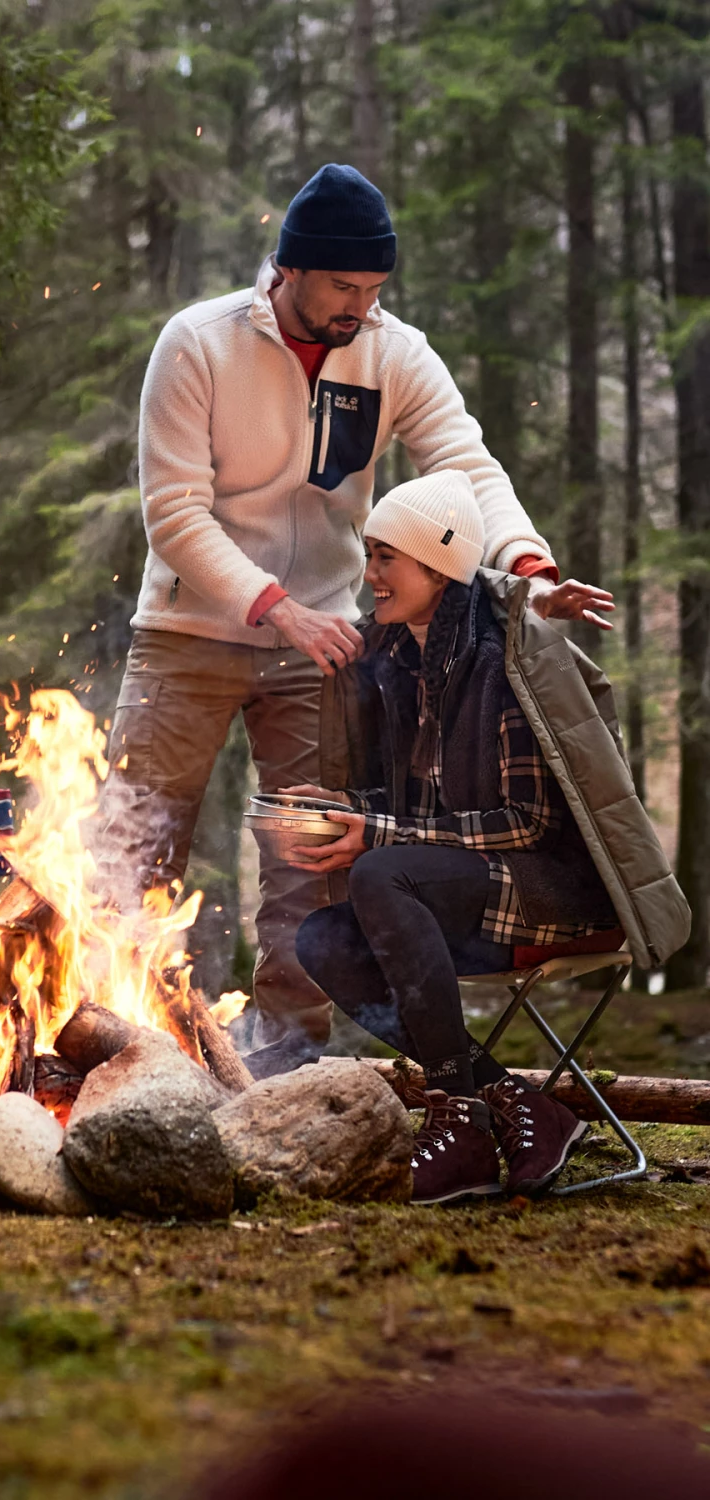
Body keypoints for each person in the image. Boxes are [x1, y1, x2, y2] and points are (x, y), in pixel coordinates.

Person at [99, 162, 614, 1079]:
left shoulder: (392, 350)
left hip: (328, 640)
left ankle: (286, 1063)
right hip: (188, 634)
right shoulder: (198, 343)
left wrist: (526, 565)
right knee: (137, 837)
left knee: (311, 854)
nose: (360, 307)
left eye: (375, 289)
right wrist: (273, 608)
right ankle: (108, 1036)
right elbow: (173, 512)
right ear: (289, 270)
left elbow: (465, 466)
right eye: (345, 286)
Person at [288, 470, 687, 1204]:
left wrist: (376, 833)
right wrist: (343, 806)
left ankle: (460, 1123)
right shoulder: (399, 661)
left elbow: (527, 821)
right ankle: (515, 1103)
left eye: (386, 558)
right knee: (322, 938)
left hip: (553, 887)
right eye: (368, 554)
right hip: (463, 891)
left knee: (382, 876)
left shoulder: (505, 662)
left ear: (438, 567)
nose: (369, 574)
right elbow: (420, 809)